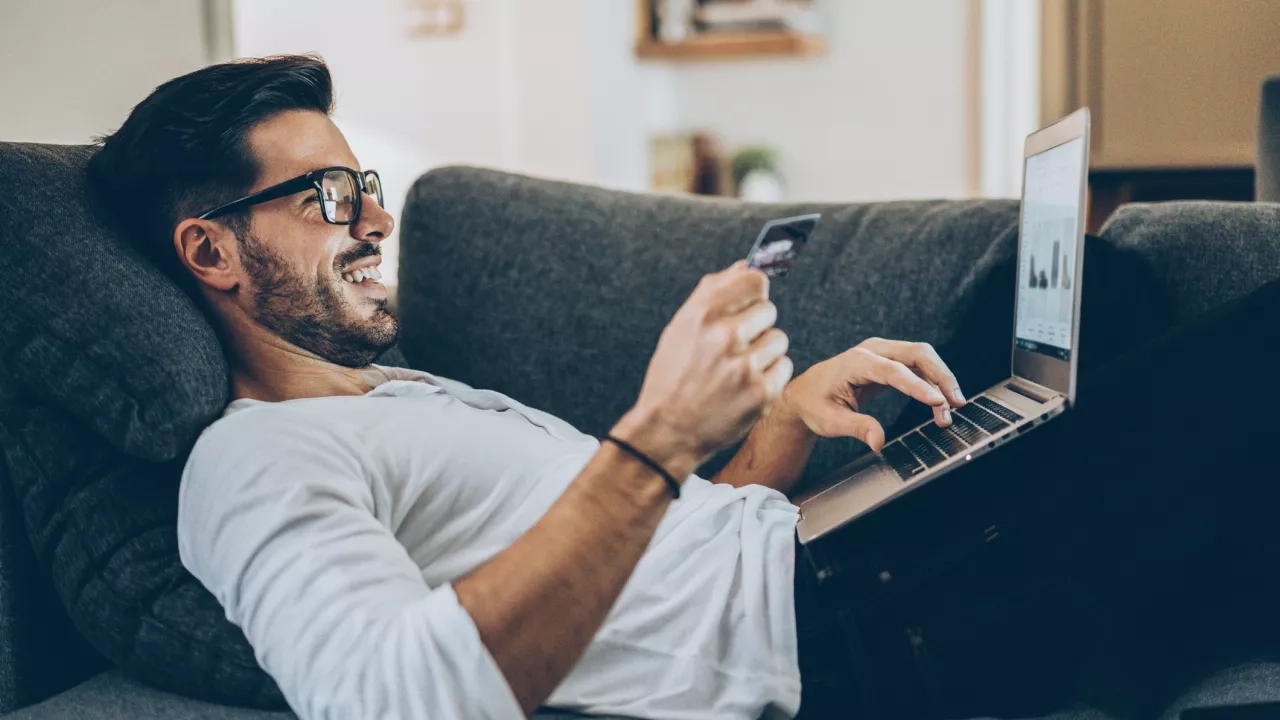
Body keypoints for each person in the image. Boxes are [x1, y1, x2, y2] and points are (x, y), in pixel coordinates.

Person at [89, 54, 1280, 720]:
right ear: (208, 252)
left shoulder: (393, 397)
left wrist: (770, 426)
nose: (377, 220)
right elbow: (391, 702)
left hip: (812, 548)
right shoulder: (253, 462)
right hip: (849, 634)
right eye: (330, 199)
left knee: (1101, 283)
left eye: (369, 185)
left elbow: (664, 559)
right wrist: (655, 437)